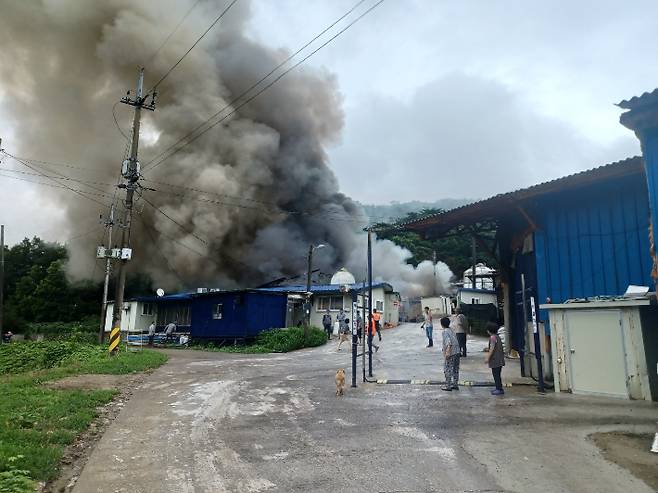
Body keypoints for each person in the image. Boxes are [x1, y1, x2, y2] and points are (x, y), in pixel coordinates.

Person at [440, 317, 460, 391]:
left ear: (441, 324)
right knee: (455, 369)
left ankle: (448, 386)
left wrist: (447, 352)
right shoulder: (451, 330)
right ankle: (455, 384)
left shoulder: (445, 331)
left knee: (447, 369)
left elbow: (449, 342)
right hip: (457, 352)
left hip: (451, 352)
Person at [485, 322, 505, 395]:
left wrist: (487, 358)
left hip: (495, 360)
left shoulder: (492, 337)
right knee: (497, 374)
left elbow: (492, 349)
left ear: (489, 330)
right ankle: (498, 388)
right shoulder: (497, 337)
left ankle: (499, 389)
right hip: (499, 359)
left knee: (496, 375)